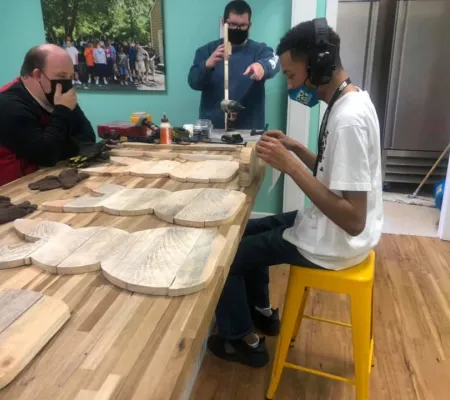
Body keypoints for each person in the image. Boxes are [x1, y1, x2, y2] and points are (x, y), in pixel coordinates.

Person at [206, 19, 383, 368]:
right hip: (329, 227)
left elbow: (353, 219)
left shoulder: (347, 119)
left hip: (337, 241)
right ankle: (262, 312)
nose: (290, 85)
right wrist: (297, 149)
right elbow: (338, 172)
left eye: (290, 75)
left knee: (225, 256)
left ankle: (244, 340)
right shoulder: (350, 100)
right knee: (244, 232)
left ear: (317, 63)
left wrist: (291, 166)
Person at [0, 44, 96, 186]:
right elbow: (47, 155)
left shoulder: (58, 94)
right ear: (37, 75)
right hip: (12, 189)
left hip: (45, 178)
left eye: (70, 77)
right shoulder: (8, 104)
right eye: (61, 77)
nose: (67, 84)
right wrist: (62, 111)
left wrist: (55, 148)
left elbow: (88, 138)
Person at [188, 1, 280, 130]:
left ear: (250, 25)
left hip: (249, 130)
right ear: (223, 23)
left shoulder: (259, 50)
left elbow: (275, 61)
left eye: (243, 26)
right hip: (213, 130)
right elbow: (193, 82)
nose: (237, 29)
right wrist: (207, 65)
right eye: (232, 24)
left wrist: (262, 66)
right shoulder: (207, 51)